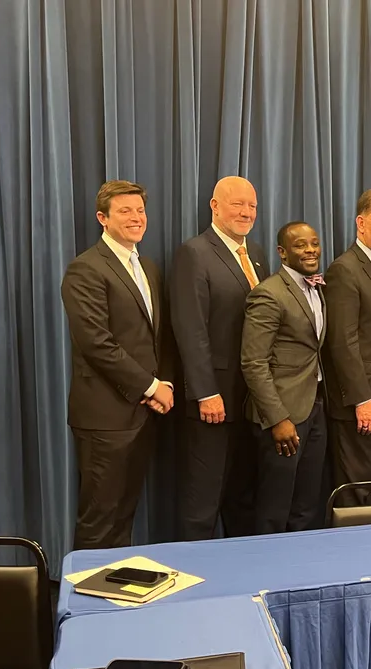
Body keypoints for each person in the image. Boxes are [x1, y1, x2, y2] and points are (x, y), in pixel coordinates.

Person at [61, 180, 175, 549]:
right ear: (103, 218)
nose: (136, 218)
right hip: (104, 419)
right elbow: (97, 344)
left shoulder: (148, 268)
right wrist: (151, 386)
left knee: (124, 514)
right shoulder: (86, 269)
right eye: (125, 211)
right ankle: (87, 606)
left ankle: (116, 598)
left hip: (142, 415)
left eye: (140, 210)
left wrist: (165, 384)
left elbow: (157, 339)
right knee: (99, 519)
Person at [169, 176, 268, 540]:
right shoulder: (194, 253)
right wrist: (205, 392)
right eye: (237, 204)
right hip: (214, 400)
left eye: (252, 206)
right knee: (203, 502)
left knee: (242, 498)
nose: (246, 212)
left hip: (251, 401)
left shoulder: (255, 254)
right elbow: (190, 328)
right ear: (214, 206)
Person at [241, 222, 329, 534]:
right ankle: (267, 577)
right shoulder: (269, 294)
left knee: (306, 506)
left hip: (315, 408)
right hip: (282, 416)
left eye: (314, 243)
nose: (310, 250)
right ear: (282, 252)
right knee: (274, 508)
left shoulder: (318, 288)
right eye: (301, 245)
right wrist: (278, 418)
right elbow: (253, 362)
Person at [323, 189, 371, 505]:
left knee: (368, 490)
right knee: (353, 495)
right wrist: (362, 399)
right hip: (360, 404)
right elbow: (342, 342)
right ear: (360, 223)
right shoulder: (345, 269)